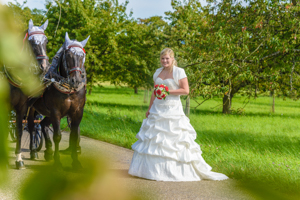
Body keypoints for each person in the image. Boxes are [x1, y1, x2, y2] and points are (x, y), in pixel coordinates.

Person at [128, 48, 228, 181]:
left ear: (172, 59)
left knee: (172, 140)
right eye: (162, 58)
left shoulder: (179, 71)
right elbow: (154, 91)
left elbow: (185, 90)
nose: (164, 61)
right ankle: (150, 171)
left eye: (167, 58)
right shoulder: (158, 72)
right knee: (154, 138)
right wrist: (149, 108)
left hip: (172, 110)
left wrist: (167, 91)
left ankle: (173, 171)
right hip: (157, 110)